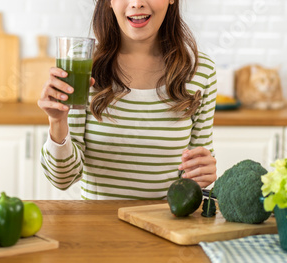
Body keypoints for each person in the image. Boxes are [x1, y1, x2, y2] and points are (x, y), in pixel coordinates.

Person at [37, 0, 217, 200]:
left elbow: (196, 171)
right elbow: (63, 179)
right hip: (98, 227)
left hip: (167, 225)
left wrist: (203, 172)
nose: (137, 3)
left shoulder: (200, 71)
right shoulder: (82, 63)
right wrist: (57, 121)